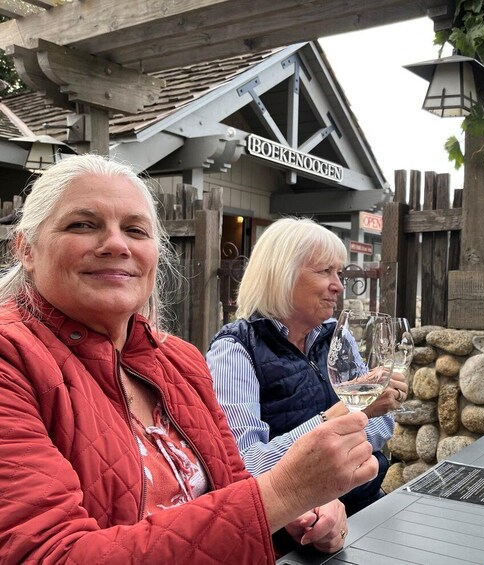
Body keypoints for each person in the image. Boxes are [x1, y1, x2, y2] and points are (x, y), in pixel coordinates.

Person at [0, 154, 378, 562]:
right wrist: (283, 492)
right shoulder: (12, 358)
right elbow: (48, 555)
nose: (116, 244)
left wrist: (301, 506)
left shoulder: (180, 360)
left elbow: (234, 485)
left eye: (135, 230)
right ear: (26, 248)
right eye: (82, 224)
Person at [207, 217, 407, 517]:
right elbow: (246, 467)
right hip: (297, 529)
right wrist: (335, 420)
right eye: (325, 271)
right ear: (282, 275)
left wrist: (365, 411)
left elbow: (383, 423)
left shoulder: (334, 335)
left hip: (364, 504)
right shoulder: (235, 349)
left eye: (339, 273)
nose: (338, 286)